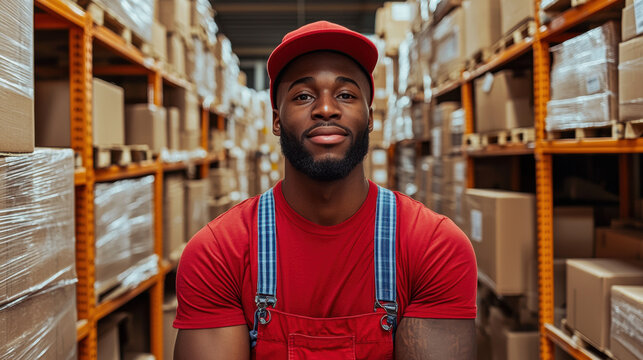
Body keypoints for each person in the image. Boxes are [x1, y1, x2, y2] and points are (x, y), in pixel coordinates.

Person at [173, 21, 477, 359]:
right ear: (276, 119)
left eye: (346, 95)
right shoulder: (218, 253)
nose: (327, 109)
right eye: (303, 96)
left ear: (371, 117)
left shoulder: (434, 247)